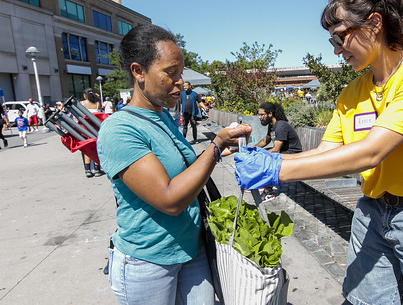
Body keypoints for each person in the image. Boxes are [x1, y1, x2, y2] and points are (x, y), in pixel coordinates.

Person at [234, 0, 403, 304]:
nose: (336, 51)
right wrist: (273, 160)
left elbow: (371, 152)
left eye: (340, 38)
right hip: (373, 211)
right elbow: (326, 152)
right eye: (332, 42)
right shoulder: (353, 92)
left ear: (374, 23)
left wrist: (278, 171)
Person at [96, 24, 250, 305]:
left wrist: (223, 148)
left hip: (191, 249)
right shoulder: (120, 130)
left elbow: (182, 167)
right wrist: (215, 146)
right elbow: (169, 199)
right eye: (170, 73)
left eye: (181, 73)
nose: (181, 81)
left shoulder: (163, 116)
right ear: (138, 71)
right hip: (148, 261)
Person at [254, 102, 302, 201]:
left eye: (262, 114)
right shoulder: (272, 125)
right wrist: (252, 149)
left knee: (267, 158)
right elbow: (265, 141)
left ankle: (269, 192)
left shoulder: (281, 126)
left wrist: (259, 153)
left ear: (270, 114)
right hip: (285, 152)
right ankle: (263, 182)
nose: (259, 117)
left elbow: (276, 150)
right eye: (259, 114)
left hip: (293, 153)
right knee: (259, 154)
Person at [81, 88, 105, 178]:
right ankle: (97, 168)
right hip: (96, 128)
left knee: (87, 148)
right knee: (96, 147)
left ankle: (87, 169)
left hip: (86, 128)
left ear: (85, 95)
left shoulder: (82, 103)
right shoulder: (97, 103)